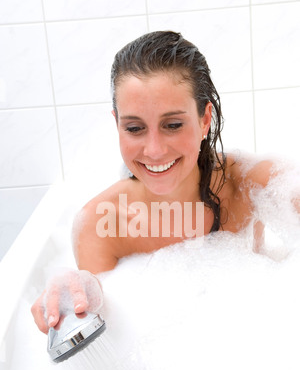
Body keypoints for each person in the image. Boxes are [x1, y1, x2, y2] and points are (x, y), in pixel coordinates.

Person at [31, 31, 289, 333]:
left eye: (173, 125)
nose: (154, 150)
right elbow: (108, 340)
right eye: (135, 128)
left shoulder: (250, 183)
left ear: (205, 120)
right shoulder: (100, 226)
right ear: (117, 124)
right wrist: (73, 295)